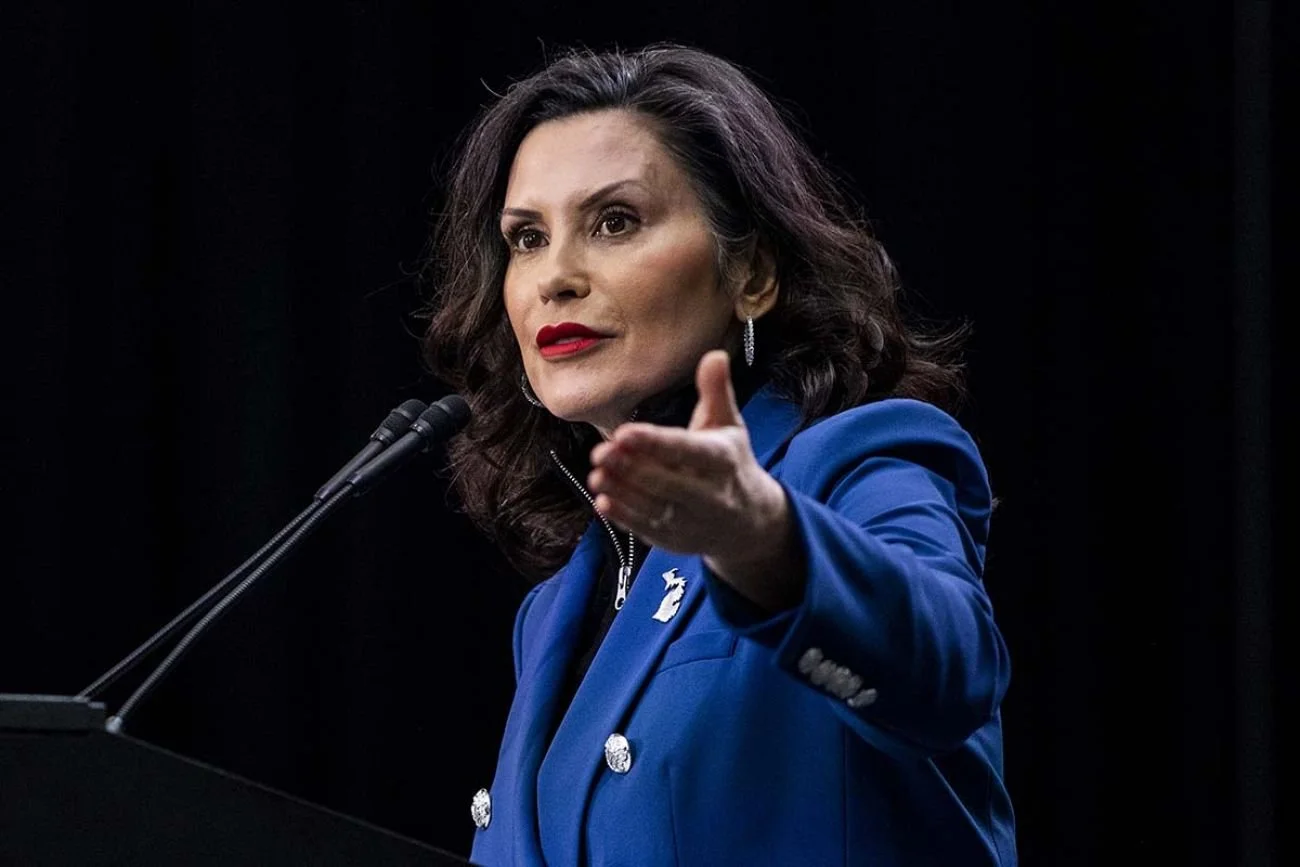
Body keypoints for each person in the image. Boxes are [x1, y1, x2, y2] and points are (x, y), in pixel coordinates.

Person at [421, 43, 1016, 867]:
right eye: (526, 238)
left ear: (752, 273)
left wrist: (763, 543)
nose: (554, 276)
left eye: (614, 221)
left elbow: (945, 676)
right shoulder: (553, 613)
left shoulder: (853, 465)